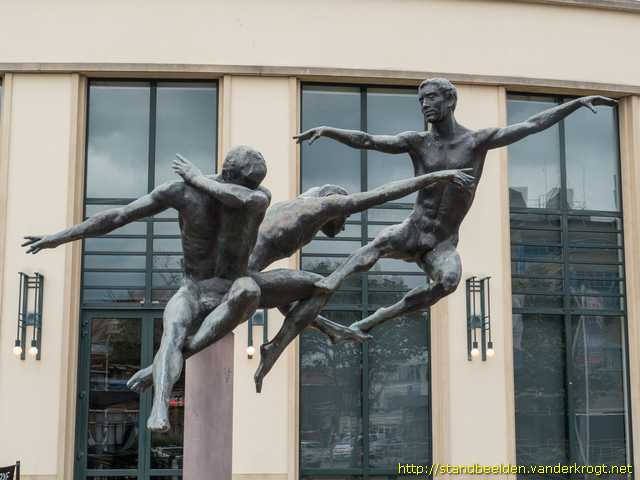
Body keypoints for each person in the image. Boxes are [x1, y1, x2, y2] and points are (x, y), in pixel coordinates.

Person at [294, 77, 616, 336]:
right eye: (421, 100)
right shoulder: (418, 142)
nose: (425, 105)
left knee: (448, 282)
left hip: (442, 243)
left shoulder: (475, 142)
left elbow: (530, 125)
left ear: (450, 100)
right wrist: (329, 131)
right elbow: (369, 141)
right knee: (373, 247)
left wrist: (574, 104)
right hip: (414, 229)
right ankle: (327, 284)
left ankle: (375, 318)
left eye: (431, 98)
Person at [127, 154, 473, 393]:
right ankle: (270, 349)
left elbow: (283, 294)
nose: (343, 225)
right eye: (343, 219)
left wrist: (323, 325)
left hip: (237, 273)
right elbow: (379, 195)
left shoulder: (296, 204)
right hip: (233, 279)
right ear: (336, 205)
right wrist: (435, 177)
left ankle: (302, 339)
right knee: (323, 284)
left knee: (312, 287)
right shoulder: (322, 208)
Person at [24, 146, 272, 432]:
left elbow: (240, 199)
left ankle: (156, 369)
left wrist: (198, 178)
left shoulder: (256, 197)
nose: (254, 188)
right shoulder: (181, 192)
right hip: (195, 287)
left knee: (249, 289)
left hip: (232, 286)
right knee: (173, 330)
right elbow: (119, 216)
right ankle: (159, 408)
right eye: (248, 182)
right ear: (229, 173)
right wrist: (59, 237)